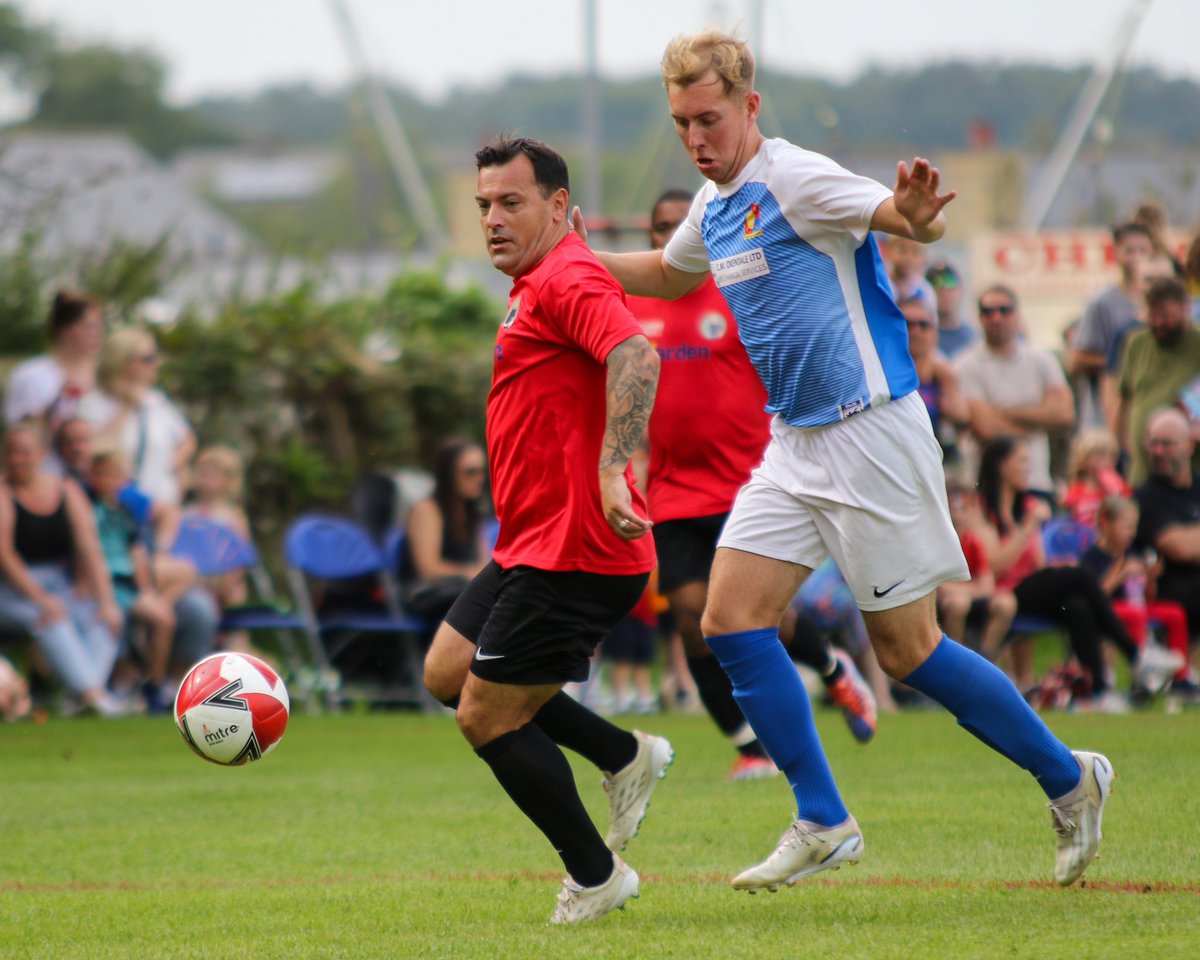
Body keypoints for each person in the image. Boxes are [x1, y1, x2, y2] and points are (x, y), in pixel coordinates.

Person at [574, 27, 1111, 891]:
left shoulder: (794, 175)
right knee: (727, 620)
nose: (695, 138)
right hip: (793, 444)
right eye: (681, 123)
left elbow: (897, 218)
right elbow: (673, 278)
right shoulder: (713, 208)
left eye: (708, 118)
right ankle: (822, 818)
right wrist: (571, 262)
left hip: (872, 435)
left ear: (749, 106)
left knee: (909, 653)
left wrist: (918, 215)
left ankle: (1071, 778)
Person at [421, 137, 672, 925]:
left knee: (485, 716)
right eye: (484, 206)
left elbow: (635, 353)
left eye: (511, 203)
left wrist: (610, 468)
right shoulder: (534, 279)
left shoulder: (564, 274)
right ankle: (622, 755)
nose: (492, 219)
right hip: (530, 541)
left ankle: (597, 877)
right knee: (445, 674)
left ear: (560, 208)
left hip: (577, 549)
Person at [627, 188, 877, 779]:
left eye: (677, 225)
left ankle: (833, 667)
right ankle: (748, 747)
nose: (668, 237)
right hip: (671, 487)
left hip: (745, 481)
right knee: (692, 619)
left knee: (749, 616)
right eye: (658, 227)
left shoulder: (736, 294)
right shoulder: (636, 304)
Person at [975, 435, 1180, 706]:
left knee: (1077, 604)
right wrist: (1027, 528)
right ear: (1001, 466)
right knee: (1081, 576)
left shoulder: (1026, 506)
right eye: (1021, 461)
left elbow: (1035, 566)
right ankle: (1137, 656)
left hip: (1029, 588)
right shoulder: (983, 511)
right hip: (1000, 592)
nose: (1027, 468)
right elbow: (994, 566)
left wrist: (1055, 570)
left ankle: (1100, 692)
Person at [0, 422, 124, 715]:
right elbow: (5, 555)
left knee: (103, 619)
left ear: (41, 454)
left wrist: (106, 601)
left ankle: (82, 696)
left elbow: (88, 546)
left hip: (61, 583)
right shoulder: (3, 495)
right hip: (13, 589)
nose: (17, 459)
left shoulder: (66, 490)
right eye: (11, 452)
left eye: (24, 452)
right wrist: (41, 598)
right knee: (51, 619)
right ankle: (94, 696)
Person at [87, 446, 187, 713]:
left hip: (126, 583)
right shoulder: (87, 508)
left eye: (114, 475)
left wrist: (146, 591)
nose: (108, 481)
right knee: (135, 620)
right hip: (103, 583)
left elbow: (137, 554)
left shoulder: (125, 511)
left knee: (165, 615)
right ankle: (126, 677)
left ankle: (154, 682)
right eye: (102, 474)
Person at [955, 284, 1076, 500]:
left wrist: (1003, 412)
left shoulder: (1042, 359)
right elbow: (985, 428)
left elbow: (1065, 414)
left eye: (1004, 310)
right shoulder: (964, 365)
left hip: (1036, 480)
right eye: (988, 312)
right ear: (979, 318)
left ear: (1017, 315)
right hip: (984, 486)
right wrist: (1037, 421)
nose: (996, 318)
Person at [1080, 495, 1191, 694]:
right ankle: (1141, 675)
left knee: (1175, 613)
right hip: (1109, 609)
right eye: (1126, 527)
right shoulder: (1092, 557)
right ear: (1106, 523)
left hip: (1135, 607)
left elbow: (1146, 598)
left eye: (1134, 527)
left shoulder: (1132, 554)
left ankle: (1179, 679)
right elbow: (1096, 595)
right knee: (1135, 615)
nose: (1131, 533)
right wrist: (1122, 573)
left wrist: (1150, 579)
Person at [78, 326, 196, 507]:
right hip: (118, 509)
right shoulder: (93, 403)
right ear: (121, 360)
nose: (156, 363)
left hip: (162, 505)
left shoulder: (155, 401)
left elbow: (187, 440)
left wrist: (169, 468)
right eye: (148, 358)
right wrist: (126, 408)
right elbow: (95, 451)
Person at [1134, 408, 1200, 700]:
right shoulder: (1146, 495)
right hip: (1167, 589)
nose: (1157, 451)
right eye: (1152, 443)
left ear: (1189, 444)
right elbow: (1179, 549)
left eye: (1166, 444)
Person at [1065, 223, 1152, 430]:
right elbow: (1076, 360)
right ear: (1116, 254)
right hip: (1105, 415)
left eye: (1142, 250)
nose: (1136, 257)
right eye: (1129, 250)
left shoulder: (1167, 303)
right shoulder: (1102, 304)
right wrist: (1122, 361)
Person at [1114, 277, 1200, 486]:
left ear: (1186, 309)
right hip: (1141, 471)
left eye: (1167, 316)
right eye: (1153, 315)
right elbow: (1124, 401)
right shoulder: (1137, 343)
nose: (1159, 322)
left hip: (1187, 477)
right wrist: (1119, 447)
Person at [3, 290, 105, 463]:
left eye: (100, 326)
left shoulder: (106, 377)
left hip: (99, 480)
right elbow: (19, 434)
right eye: (89, 326)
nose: (97, 334)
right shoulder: (31, 376)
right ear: (63, 330)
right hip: (49, 475)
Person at [400, 438, 490, 623]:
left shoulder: (473, 511)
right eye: (470, 472)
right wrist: (468, 573)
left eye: (482, 471)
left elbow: (483, 562)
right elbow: (428, 569)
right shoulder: (427, 509)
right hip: (428, 592)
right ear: (449, 474)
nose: (479, 478)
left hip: (463, 591)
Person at [937, 480, 1017, 664]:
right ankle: (954, 661)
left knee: (1006, 603)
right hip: (947, 604)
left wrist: (963, 590)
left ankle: (985, 658)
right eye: (952, 508)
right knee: (958, 604)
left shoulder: (973, 542)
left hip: (968, 597)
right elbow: (937, 587)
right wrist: (971, 589)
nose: (957, 515)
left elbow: (987, 586)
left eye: (963, 508)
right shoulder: (937, 542)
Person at [903, 295, 969, 466]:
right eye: (907, 324)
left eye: (923, 325)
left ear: (935, 333)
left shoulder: (945, 377)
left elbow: (963, 423)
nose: (915, 331)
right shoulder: (883, 377)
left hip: (939, 465)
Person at [1061, 429, 1130, 529]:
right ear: (1082, 459)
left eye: (1112, 456)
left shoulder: (1121, 488)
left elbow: (1128, 514)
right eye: (1100, 455)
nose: (1107, 461)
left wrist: (1115, 492)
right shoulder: (1074, 491)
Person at [925, 260, 978, 359]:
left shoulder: (974, 338)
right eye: (935, 284)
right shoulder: (918, 335)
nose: (943, 290)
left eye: (950, 282)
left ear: (961, 290)